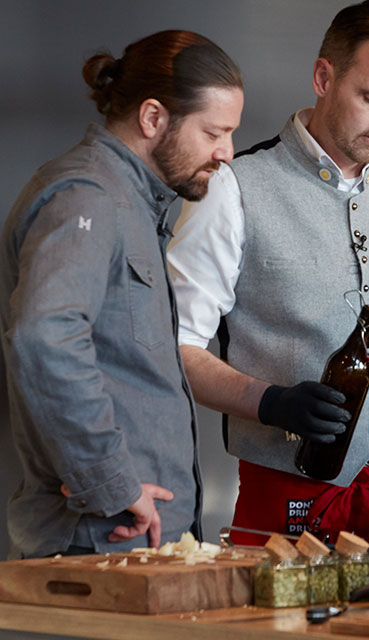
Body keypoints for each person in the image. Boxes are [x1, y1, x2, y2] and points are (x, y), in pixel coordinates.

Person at [168, 0, 369, 545]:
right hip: (287, 496)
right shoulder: (234, 186)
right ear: (324, 77)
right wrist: (270, 402)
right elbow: (175, 347)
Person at [0, 30, 243, 559]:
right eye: (214, 132)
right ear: (153, 118)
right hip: (97, 540)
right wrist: (112, 484)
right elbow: (45, 339)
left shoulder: (135, 206)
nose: (226, 152)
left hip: (139, 545)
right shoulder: (86, 197)